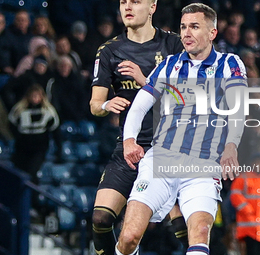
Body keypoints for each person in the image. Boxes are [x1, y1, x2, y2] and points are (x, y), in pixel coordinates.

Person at [117, 3, 247, 255]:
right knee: (130, 237)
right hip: (161, 159)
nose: (186, 33)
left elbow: (238, 108)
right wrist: (129, 140)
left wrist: (231, 144)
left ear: (212, 33)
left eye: (194, 27)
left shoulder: (230, 63)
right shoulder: (169, 65)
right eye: (183, 27)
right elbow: (139, 106)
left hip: (203, 164)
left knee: (199, 233)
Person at [89, 0, 186, 254]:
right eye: (123, 2)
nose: (127, 7)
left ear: (152, 6)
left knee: (186, 228)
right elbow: (94, 105)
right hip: (130, 149)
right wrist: (107, 103)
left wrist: (145, 79)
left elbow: (186, 98)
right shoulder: (110, 50)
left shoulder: (174, 45)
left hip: (172, 149)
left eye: (135, 1)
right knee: (100, 219)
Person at [8, 84, 59, 183]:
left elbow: (54, 129)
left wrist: (58, 148)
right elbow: (12, 125)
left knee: (32, 172)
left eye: (37, 96)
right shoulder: (19, 110)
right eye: (33, 95)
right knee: (20, 172)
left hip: (39, 147)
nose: (35, 98)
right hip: (22, 147)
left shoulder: (48, 111)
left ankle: (33, 196)